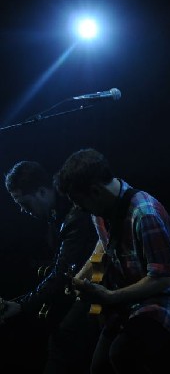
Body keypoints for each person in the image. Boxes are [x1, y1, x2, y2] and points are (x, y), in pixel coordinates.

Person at [54, 148, 170, 374]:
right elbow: (105, 242)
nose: (79, 209)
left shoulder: (145, 214)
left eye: (80, 203)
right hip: (130, 303)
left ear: (95, 191)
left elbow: (164, 280)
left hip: (165, 301)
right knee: (98, 368)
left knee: (122, 354)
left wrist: (111, 296)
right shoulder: (100, 210)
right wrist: (81, 275)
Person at [0, 160, 99, 373]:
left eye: (25, 204)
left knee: (64, 340)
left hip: (100, 290)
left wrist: (23, 305)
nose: (23, 211)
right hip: (85, 287)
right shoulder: (58, 214)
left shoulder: (75, 216)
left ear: (42, 191)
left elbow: (62, 271)